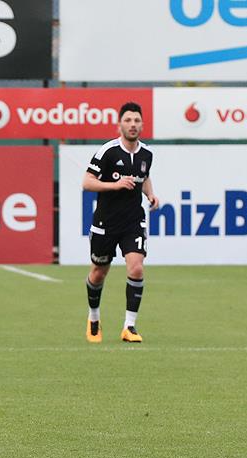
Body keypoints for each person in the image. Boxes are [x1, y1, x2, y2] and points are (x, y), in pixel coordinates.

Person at [82, 102, 159, 344]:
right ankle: (94, 317)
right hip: (105, 223)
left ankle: (129, 326)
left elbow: (144, 177)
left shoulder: (147, 154)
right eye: (128, 120)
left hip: (133, 221)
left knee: (136, 268)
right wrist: (114, 185)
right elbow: (87, 182)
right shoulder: (108, 151)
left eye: (136, 121)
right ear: (120, 125)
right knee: (98, 273)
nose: (132, 124)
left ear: (142, 125)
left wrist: (150, 194)